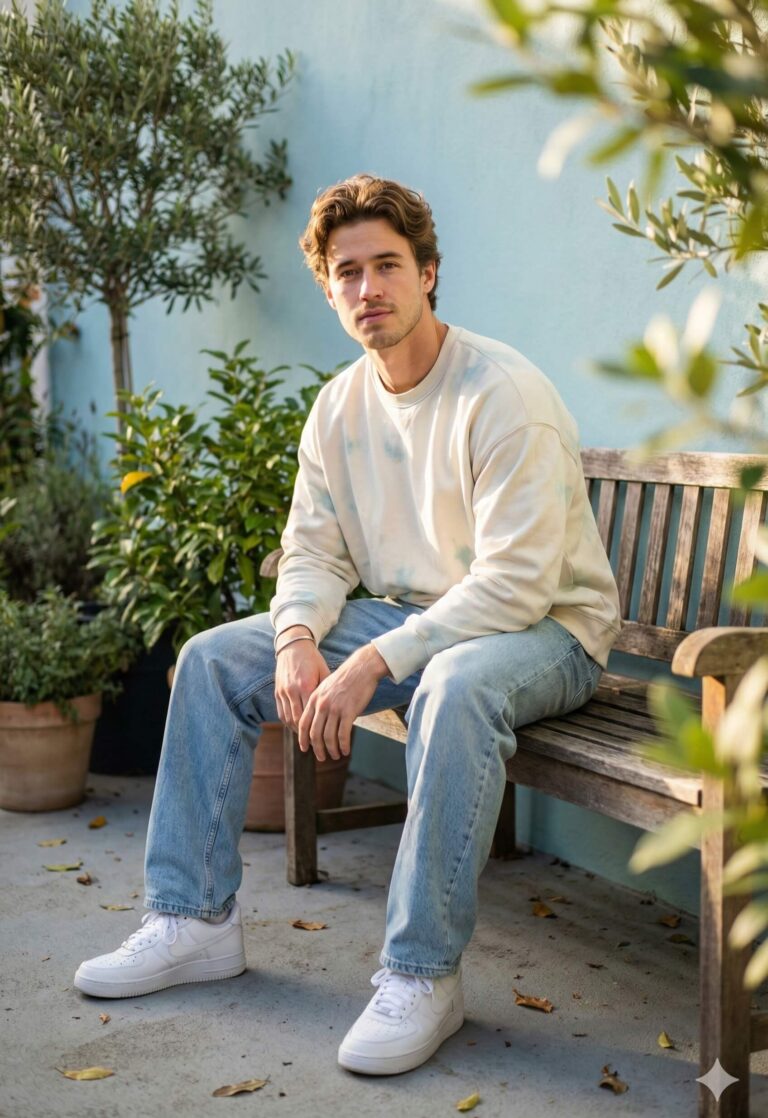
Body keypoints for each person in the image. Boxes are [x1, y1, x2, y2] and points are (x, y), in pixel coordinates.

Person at [75, 173, 621, 1076]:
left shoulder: (503, 397)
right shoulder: (338, 408)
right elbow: (314, 552)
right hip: (414, 618)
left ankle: (421, 975)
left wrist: (375, 657)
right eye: (347, 273)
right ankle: (191, 920)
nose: (368, 289)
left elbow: (518, 585)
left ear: (430, 273)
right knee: (215, 660)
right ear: (329, 289)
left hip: (548, 634)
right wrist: (295, 637)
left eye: (387, 266)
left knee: (451, 683)